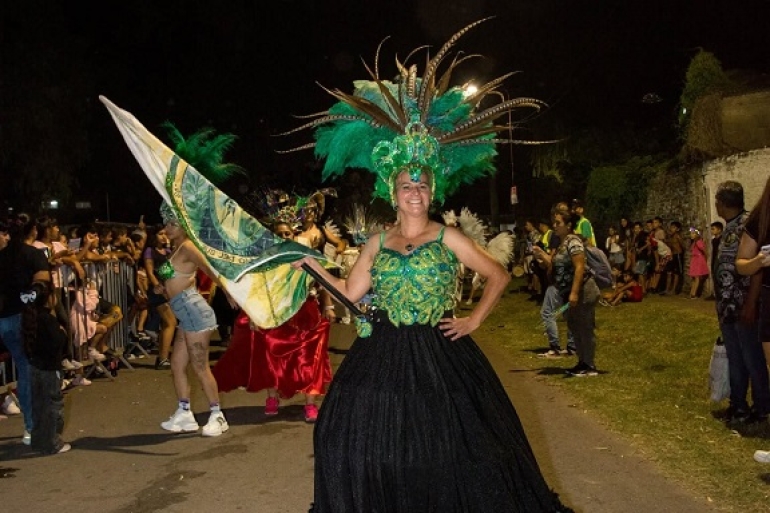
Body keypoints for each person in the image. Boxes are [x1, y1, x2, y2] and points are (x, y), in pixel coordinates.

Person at [289, 20, 572, 512]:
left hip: (440, 354)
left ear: (432, 190)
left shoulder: (448, 237)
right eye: (407, 185)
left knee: (454, 451)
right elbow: (350, 293)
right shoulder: (377, 241)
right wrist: (308, 266)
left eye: (422, 185)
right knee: (346, 436)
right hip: (382, 351)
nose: (415, 191)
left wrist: (474, 320)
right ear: (393, 192)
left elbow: (498, 274)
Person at [213, 221, 333, 422]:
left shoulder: (303, 255)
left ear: (293, 235)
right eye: (280, 233)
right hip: (274, 313)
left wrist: (328, 306)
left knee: (310, 358)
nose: (284, 237)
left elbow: (321, 282)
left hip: (305, 314)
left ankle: (310, 404)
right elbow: (254, 289)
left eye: (287, 233)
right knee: (271, 357)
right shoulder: (265, 261)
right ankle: (272, 397)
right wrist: (253, 314)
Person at [157, 204, 236, 437]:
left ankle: (217, 415)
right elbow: (180, 278)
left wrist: (228, 293)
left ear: (184, 226)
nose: (168, 228)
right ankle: (184, 414)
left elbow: (211, 269)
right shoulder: (176, 248)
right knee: (176, 364)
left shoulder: (189, 247)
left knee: (200, 367)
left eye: (173, 224)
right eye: (167, 223)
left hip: (194, 312)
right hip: (185, 313)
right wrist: (163, 287)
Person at [716, 181, 769, 425]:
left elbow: (757, 268)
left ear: (722, 203)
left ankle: (761, 406)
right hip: (727, 305)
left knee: (752, 357)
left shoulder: (748, 225)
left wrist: (750, 303)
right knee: (735, 357)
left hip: (743, 304)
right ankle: (738, 405)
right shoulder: (730, 227)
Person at [0, 213, 51, 445]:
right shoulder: (33, 254)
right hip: (25, 318)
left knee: (24, 368)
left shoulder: (4, 256)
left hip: (5, 318)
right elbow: (42, 281)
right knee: (28, 369)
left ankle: (32, 425)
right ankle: (32, 427)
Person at [533, 209, 601, 376]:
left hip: (583, 290)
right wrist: (542, 254)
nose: (555, 226)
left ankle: (589, 365)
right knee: (575, 326)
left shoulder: (573, 241)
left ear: (569, 225)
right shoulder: (563, 243)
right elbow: (555, 264)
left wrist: (574, 293)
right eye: (554, 223)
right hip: (569, 290)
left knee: (584, 327)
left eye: (558, 223)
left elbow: (579, 266)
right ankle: (582, 362)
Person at [21, 281, 71, 454]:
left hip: (34, 366)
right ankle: (52, 443)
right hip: (49, 368)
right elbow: (57, 343)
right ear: (50, 298)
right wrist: (62, 332)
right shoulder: (48, 320)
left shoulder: (29, 317)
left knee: (38, 406)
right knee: (53, 405)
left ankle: (38, 440)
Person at [687, 228, 709, 299]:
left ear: (697, 234)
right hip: (695, 260)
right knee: (694, 277)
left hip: (698, 260)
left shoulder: (698, 242)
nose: (691, 235)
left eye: (693, 233)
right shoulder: (694, 242)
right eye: (691, 233)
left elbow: (704, 250)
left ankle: (693, 294)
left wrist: (705, 259)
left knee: (696, 277)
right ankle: (691, 293)